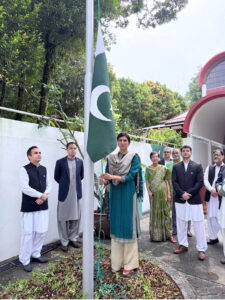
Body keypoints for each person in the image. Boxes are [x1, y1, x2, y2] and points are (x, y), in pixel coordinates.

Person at [100, 132, 143, 276]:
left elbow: (131, 176)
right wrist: (105, 180)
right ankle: (116, 263)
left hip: (127, 193)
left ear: (129, 143)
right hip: (115, 194)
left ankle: (129, 264)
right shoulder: (111, 158)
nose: (122, 142)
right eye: (120, 140)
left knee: (127, 225)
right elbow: (107, 175)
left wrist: (112, 177)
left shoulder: (134, 157)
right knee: (116, 225)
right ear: (117, 142)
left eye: (125, 140)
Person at [19, 146, 52, 272]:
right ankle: (25, 260)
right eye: (35, 153)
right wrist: (40, 195)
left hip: (43, 206)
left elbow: (50, 185)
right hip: (29, 207)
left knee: (41, 231)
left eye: (39, 152)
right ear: (29, 156)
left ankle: (36, 254)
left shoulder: (44, 169)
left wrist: (43, 197)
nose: (38, 155)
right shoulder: (24, 170)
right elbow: (24, 187)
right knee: (28, 234)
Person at [172, 145, 207, 261]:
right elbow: (174, 182)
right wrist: (182, 194)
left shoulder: (197, 166)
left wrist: (189, 193)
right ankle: (183, 245)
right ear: (181, 153)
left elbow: (200, 182)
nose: (185, 152)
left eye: (187, 151)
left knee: (198, 224)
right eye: (183, 151)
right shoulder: (176, 167)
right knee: (181, 222)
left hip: (194, 199)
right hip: (180, 199)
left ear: (191, 153)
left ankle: (201, 249)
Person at [54, 142, 84, 252]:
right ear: (67, 150)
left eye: (75, 148)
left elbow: (81, 176)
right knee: (63, 218)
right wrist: (65, 184)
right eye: (71, 148)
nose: (73, 150)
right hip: (64, 193)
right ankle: (64, 241)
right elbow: (56, 177)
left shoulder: (80, 162)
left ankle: (73, 238)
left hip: (76, 193)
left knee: (75, 218)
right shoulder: (60, 162)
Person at [145, 151, 176, 243]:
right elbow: (147, 181)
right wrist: (149, 192)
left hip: (164, 192)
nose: (155, 158)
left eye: (156, 157)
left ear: (159, 158)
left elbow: (167, 181)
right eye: (153, 157)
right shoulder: (148, 169)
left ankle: (169, 235)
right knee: (155, 214)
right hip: (154, 194)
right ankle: (156, 235)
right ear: (151, 158)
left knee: (166, 213)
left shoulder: (163, 168)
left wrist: (169, 194)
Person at [167, 149, 192, 237]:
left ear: (180, 154)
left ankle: (188, 229)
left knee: (187, 209)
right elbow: (167, 178)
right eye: (173, 153)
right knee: (174, 210)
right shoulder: (168, 164)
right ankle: (175, 228)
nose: (175, 154)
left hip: (185, 190)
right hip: (173, 189)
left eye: (177, 153)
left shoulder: (184, 163)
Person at [204, 149, 224, 245]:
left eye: (218, 155)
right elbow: (206, 180)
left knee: (221, 217)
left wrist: (217, 190)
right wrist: (211, 189)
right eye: (214, 155)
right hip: (211, 196)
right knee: (211, 217)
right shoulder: (210, 168)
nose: (216, 156)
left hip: (222, 197)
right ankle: (213, 238)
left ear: (223, 156)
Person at [216, 163, 225, 264]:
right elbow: (218, 182)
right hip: (224, 203)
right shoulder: (223, 168)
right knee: (224, 229)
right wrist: (219, 187)